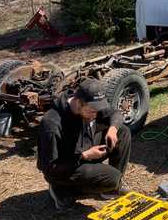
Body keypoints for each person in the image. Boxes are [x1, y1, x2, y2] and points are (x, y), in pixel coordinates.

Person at [37, 78, 131, 211]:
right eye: (92, 111)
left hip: (86, 150)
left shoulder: (92, 104)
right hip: (64, 167)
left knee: (123, 132)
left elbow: (115, 114)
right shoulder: (52, 123)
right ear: (78, 102)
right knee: (112, 178)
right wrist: (85, 156)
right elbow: (50, 167)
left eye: (98, 110)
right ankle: (61, 191)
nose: (96, 114)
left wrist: (113, 129)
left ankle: (110, 189)